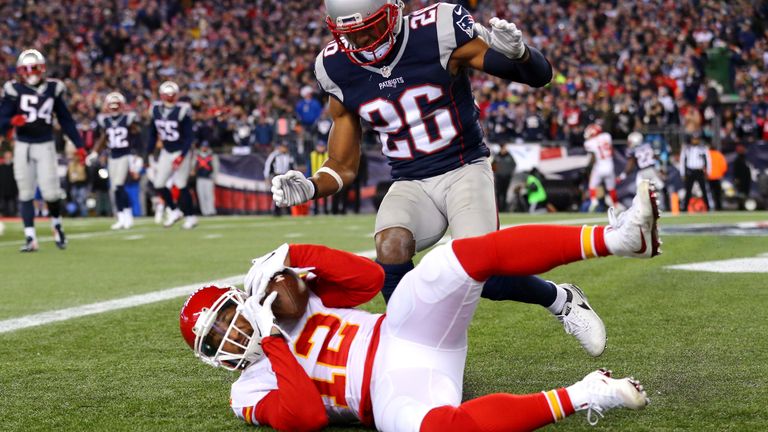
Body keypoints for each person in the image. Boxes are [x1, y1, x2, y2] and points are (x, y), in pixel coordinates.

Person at [179, 180, 660, 431]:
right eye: (217, 336)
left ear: (238, 298)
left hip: (405, 329)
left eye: (226, 316)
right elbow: (307, 417)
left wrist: (292, 255)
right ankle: (586, 393)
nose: (230, 333)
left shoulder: (286, 299)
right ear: (211, 356)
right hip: (390, 391)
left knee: (462, 256)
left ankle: (617, 238)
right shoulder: (246, 392)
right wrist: (270, 341)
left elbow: (370, 278)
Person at [269, 1, 606, 357]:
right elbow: (342, 164)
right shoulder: (336, 66)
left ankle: (561, 299)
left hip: (464, 168)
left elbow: (539, 76)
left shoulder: (437, 29)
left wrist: (522, 55)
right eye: (350, 34)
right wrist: (310, 185)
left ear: (394, 11)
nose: (363, 40)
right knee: (390, 246)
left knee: (482, 271)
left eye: (369, 27)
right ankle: (411, 352)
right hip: (410, 181)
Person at [0, 49, 86, 252]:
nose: (31, 72)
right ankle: (30, 237)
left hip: (45, 144)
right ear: (20, 70)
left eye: (34, 68)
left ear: (42, 68)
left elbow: (66, 120)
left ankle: (57, 225)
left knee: (51, 192)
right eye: (26, 69)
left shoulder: (53, 89)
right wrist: (11, 120)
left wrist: (79, 144)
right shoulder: (14, 90)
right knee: (26, 191)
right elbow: (1, 119)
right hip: (22, 144)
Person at [147, 80, 197, 229]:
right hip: (166, 151)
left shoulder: (182, 110)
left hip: (181, 151)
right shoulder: (155, 110)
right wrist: (147, 153)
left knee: (181, 185)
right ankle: (174, 210)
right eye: (166, 94)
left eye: (171, 94)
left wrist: (182, 155)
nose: (169, 97)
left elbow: (189, 137)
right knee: (159, 183)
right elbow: (152, 134)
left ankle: (190, 216)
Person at [92, 92, 140, 230]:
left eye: (116, 105)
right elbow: (102, 138)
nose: (113, 107)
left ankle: (127, 215)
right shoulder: (104, 120)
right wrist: (97, 152)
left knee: (119, 186)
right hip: (112, 156)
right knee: (114, 188)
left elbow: (136, 136)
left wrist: (135, 154)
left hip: (125, 155)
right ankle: (121, 216)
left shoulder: (129, 118)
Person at [583, 123, 618, 212]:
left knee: (592, 185)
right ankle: (615, 205)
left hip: (600, 166)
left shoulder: (589, 143)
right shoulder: (607, 136)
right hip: (609, 165)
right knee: (611, 188)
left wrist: (588, 166)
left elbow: (593, 157)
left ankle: (594, 201)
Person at [679, 133, 710, 212]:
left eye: (697, 139)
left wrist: (708, 171)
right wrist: (682, 173)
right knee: (688, 190)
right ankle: (685, 208)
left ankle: (708, 207)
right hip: (690, 171)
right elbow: (682, 160)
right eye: (694, 139)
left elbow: (708, 160)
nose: (695, 141)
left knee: (704, 190)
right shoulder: (686, 148)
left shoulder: (703, 148)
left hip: (699, 170)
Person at [264, 143, 296, 216]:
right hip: (277, 176)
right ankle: (276, 211)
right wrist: (267, 177)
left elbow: (292, 166)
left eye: (286, 147)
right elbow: (268, 166)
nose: (285, 149)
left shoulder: (289, 156)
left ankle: (288, 211)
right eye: (283, 147)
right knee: (277, 194)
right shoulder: (274, 155)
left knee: (287, 194)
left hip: (285, 176)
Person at [194, 142, 218, 216]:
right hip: (199, 178)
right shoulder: (196, 155)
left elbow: (216, 167)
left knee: (209, 195)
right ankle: (205, 212)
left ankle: (211, 211)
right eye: (203, 146)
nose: (204, 148)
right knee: (201, 195)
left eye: (205, 146)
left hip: (209, 178)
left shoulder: (212, 155)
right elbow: (193, 165)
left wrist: (215, 177)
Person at [492, 145, 516, 211]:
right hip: (499, 178)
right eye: (503, 148)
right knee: (498, 193)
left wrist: (509, 173)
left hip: (507, 178)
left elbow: (514, 165)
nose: (504, 150)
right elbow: (493, 165)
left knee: (504, 193)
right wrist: (496, 173)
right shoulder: (497, 156)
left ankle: (504, 209)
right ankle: (498, 208)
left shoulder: (509, 156)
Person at [309, 142, 330, 215]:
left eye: (322, 146)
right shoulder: (313, 154)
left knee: (325, 195)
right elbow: (309, 166)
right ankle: (315, 210)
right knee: (315, 195)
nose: (321, 148)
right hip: (314, 178)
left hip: (325, 178)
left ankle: (325, 210)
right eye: (319, 146)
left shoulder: (327, 155)